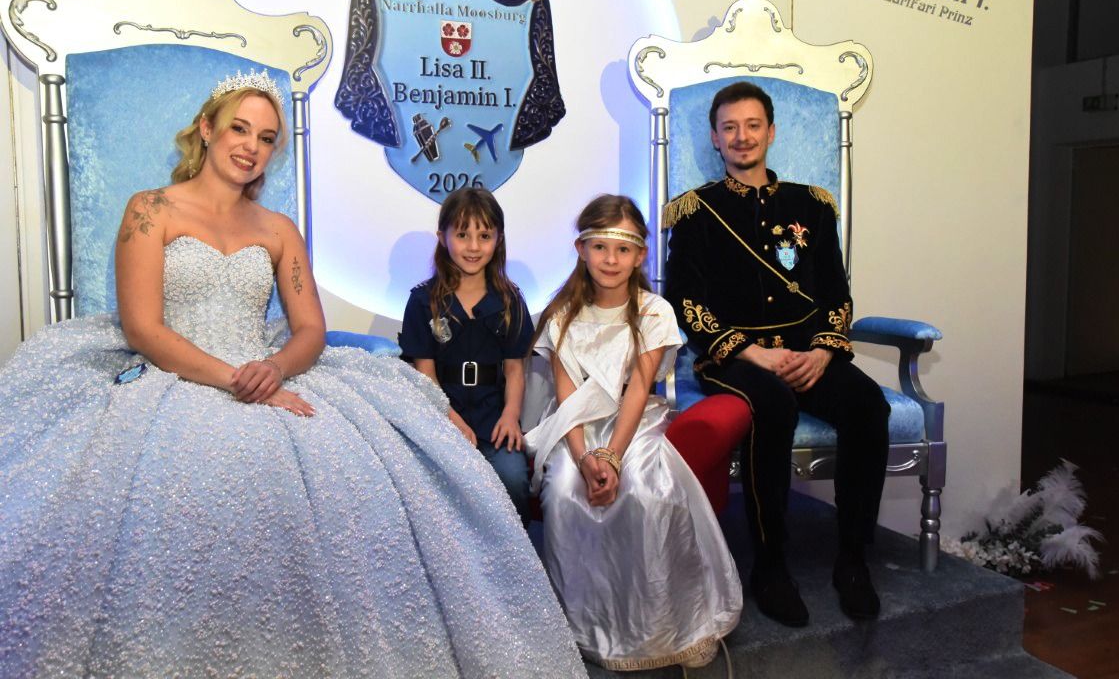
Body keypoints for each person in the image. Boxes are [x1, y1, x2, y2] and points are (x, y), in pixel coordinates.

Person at [0, 71, 587, 678]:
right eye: (239, 129)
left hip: (267, 371)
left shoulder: (277, 229)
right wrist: (236, 379)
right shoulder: (150, 210)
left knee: (361, 474)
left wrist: (275, 368)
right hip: (172, 377)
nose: (251, 146)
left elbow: (309, 329)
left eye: (266, 138)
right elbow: (144, 328)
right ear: (207, 129)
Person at [664, 81, 891, 627]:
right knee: (774, 404)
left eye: (752, 125)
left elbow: (836, 293)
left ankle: (853, 562)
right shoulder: (696, 212)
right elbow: (686, 301)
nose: (741, 137)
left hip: (807, 352)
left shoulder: (812, 206)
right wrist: (752, 353)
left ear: (771, 132)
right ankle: (770, 566)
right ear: (715, 138)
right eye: (729, 128)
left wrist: (823, 352)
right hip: (735, 359)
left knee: (868, 405)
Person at [525, 195, 742, 671]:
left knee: (645, 491)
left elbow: (640, 388)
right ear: (581, 250)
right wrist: (585, 459)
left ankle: (659, 626)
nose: (611, 259)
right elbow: (566, 396)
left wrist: (613, 457)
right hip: (576, 427)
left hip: (633, 423)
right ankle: (585, 626)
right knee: (564, 492)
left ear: (640, 255)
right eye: (600, 247)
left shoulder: (653, 311)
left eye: (622, 249)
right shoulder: (561, 314)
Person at [399, 187, 533, 525]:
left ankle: (514, 553)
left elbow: (515, 370)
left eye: (484, 236)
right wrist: (452, 420)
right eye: (462, 235)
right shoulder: (423, 301)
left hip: (494, 420)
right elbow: (425, 374)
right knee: (433, 489)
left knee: (513, 479)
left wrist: (511, 416)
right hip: (441, 416)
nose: (473, 247)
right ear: (443, 238)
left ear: (498, 240)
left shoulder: (511, 301)